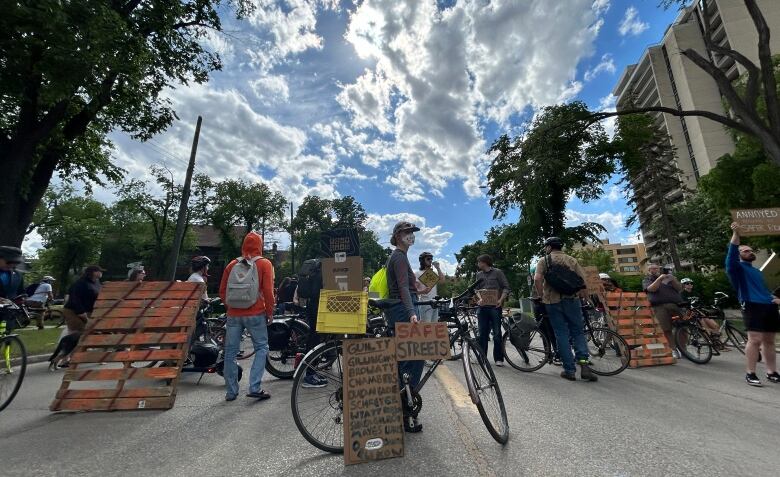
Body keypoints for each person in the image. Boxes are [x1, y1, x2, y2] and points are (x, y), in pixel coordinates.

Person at [219, 231, 275, 402]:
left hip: (233, 315)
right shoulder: (264, 264)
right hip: (256, 313)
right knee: (261, 348)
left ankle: (231, 391)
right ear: (260, 245)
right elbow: (268, 292)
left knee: (230, 353)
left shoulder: (232, 264)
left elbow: (222, 291)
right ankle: (254, 387)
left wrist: (232, 307)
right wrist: (269, 311)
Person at [534, 237, 597, 382]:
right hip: (572, 300)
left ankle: (569, 370)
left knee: (561, 333)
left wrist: (541, 295)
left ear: (549, 247)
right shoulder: (571, 260)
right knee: (577, 332)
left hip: (552, 301)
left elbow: (537, 278)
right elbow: (583, 282)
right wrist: (586, 299)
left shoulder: (544, 260)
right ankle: (584, 365)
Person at [725, 222, 780, 387]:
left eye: (750, 250)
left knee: (769, 340)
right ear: (739, 254)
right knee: (754, 339)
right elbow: (732, 252)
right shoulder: (736, 268)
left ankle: (772, 372)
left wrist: (774, 298)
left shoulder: (756, 271)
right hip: (751, 304)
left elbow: (763, 289)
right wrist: (736, 234)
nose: (749, 252)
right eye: (745, 251)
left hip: (768, 306)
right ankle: (751, 373)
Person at [385, 221, 424, 433]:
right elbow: (401, 287)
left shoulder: (401, 256)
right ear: (399, 235)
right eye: (408, 232)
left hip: (403, 307)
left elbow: (410, 284)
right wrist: (411, 313)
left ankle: (405, 407)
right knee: (413, 358)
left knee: (406, 360)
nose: (411, 235)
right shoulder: (399, 256)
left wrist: (421, 286)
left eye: (412, 232)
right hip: (402, 309)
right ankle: (406, 409)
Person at [475, 254, 511, 367]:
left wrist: (501, 299)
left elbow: (506, 287)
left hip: (495, 307)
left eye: (479, 262)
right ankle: (482, 357)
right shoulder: (478, 274)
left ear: (484, 262)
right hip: (482, 307)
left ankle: (498, 358)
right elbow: (476, 289)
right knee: (482, 333)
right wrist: (480, 298)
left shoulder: (498, 272)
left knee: (497, 333)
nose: (478, 264)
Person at [642, 263, 683, 358]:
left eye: (657, 268)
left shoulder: (670, 277)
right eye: (653, 269)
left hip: (675, 305)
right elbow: (651, 289)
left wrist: (672, 279)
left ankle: (683, 348)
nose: (655, 270)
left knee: (683, 326)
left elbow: (679, 288)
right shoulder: (647, 279)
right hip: (659, 306)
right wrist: (659, 279)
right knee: (666, 329)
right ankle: (673, 349)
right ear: (649, 270)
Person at [62, 265, 104, 332]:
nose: (101, 273)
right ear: (94, 272)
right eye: (100, 271)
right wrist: (80, 312)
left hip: (88, 311)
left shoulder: (97, 283)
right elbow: (75, 299)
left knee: (92, 331)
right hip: (74, 311)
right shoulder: (81, 283)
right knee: (80, 332)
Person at [415, 252, 444, 323]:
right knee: (426, 328)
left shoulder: (433, 273)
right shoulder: (418, 273)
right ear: (422, 261)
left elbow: (442, 281)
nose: (430, 260)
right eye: (428, 259)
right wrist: (423, 292)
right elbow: (413, 291)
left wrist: (438, 268)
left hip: (434, 303)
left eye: (431, 259)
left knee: (434, 326)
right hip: (425, 304)